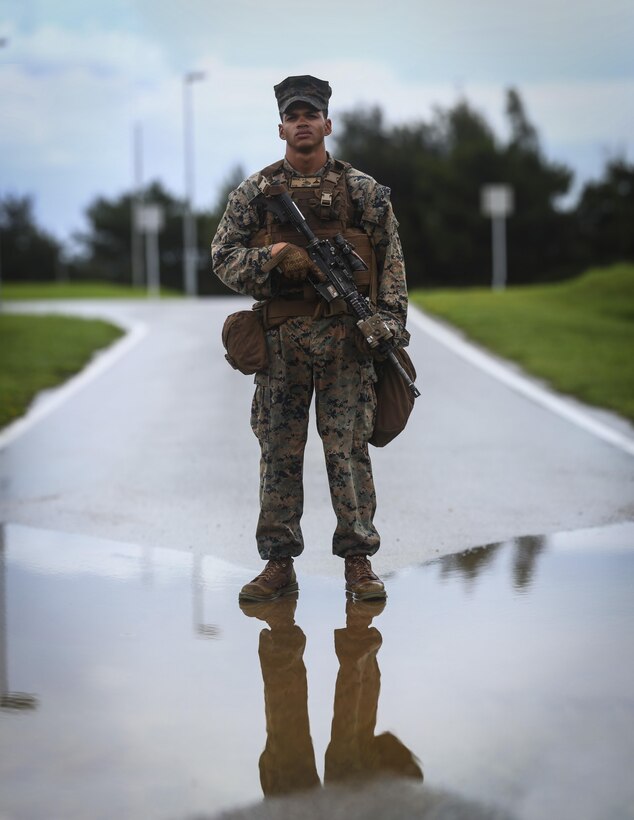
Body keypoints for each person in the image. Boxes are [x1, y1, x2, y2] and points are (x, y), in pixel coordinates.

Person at [211, 75, 410, 603]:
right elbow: (223, 257)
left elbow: (391, 263)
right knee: (279, 450)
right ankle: (278, 564)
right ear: (281, 127)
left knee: (346, 452)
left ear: (327, 123)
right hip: (282, 344)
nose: (303, 122)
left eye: (311, 114)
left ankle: (359, 562)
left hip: (347, 342)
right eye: (294, 115)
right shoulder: (255, 193)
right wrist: (272, 260)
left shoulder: (363, 191)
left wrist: (386, 324)